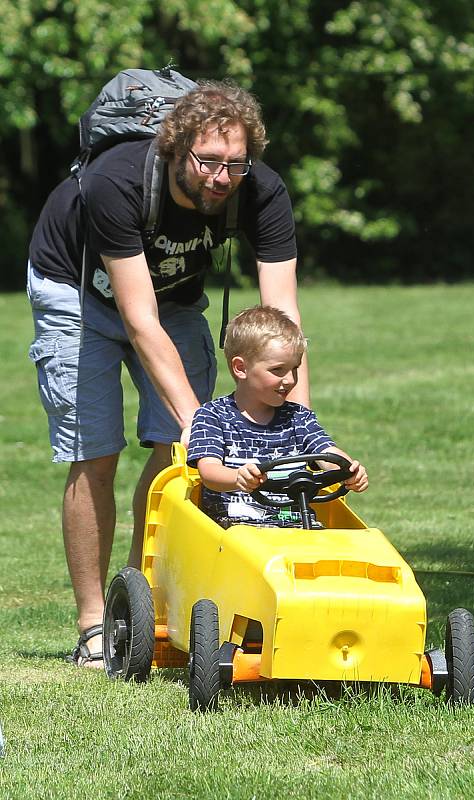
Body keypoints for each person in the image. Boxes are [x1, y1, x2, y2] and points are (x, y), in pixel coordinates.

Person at [27, 81, 308, 667]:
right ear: (175, 147)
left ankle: (136, 601)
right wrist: (208, 426)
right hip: (78, 292)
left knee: (176, 449)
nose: (221, 178)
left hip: (174, 299)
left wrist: (296, 429)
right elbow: (137, 317)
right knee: (95, 451)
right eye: (208, 162)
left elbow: (283, 320)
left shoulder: (262, 189)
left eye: (235, 164)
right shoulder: (118, 181)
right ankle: (92, 626)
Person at [187, 306, 368, 528]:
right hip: (235, 530)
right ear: (240, 368)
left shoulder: (297, 417)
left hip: (295, 524)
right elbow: (209, 472)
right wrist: (237, 477)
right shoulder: (212, 416)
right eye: (278, 370)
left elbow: (327, 453)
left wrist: (349, 471)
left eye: (294, 369)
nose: (290, 380)